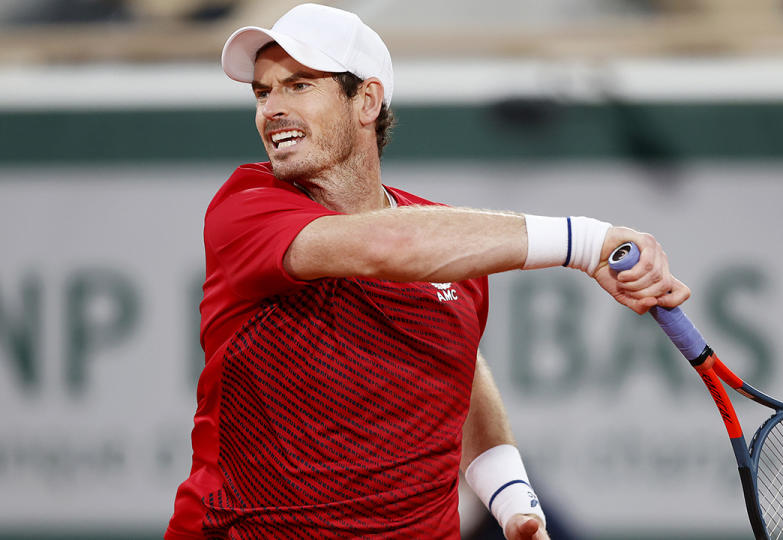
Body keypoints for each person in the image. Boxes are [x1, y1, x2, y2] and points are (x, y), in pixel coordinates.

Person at [165, 4, 690, 539]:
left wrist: (512, 503)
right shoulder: (247, 206)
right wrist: (586, 242)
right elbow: (390, 245)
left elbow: (458, 368)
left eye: (298, 86)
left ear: (365, 100)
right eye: (262, 91)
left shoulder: (448, 248)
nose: (271, 108)